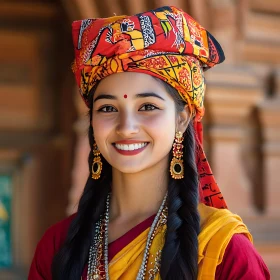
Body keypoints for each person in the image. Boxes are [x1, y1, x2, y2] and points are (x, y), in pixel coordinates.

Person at [28, 6, 270, 280]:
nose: (127, 128)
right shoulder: (58, 245)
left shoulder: (224, 250)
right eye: (108, 108)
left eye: (148, 107)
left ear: (181, 119)